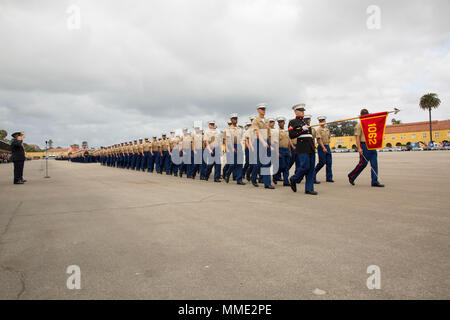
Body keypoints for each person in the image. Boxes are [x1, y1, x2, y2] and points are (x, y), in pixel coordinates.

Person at [348, 109, 384, 187]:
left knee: (374, 164)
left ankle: (374, 181)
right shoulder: (359, 124)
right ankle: (352, 175)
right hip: (364, 145)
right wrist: (359, 148)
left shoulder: (371, 123)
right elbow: (357, 137)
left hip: (372, 144)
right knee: (363, 163)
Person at [288, 104, 318, 195]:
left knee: (311, 169)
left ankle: (309, 188)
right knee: (305, 166)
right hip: (302, 146)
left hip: (310, 145)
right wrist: (301, 129)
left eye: (303, 111)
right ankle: (294, 178)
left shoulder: (305, 122)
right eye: (300, 111)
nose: (303, 112)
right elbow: (291, 135)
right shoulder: (293, 122)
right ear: (295, 112)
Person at [251, 104, 274, 189]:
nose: (263, 110)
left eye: (264, 109)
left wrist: (269, 144)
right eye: (262, 109)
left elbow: (269, 133)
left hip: (266, 141)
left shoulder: (267, 121)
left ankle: (267, 184)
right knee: (258, 163)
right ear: (258, 110)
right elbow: (257, 132)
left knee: (267, 162)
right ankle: (253, 178)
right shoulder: (255, 121)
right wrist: (263, 142)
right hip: (259, 141)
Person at [224, 113, 246, 185]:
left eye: (236, 119)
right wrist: (232, 148)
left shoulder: (240, 129)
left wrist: (242, 146)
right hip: (231, 146)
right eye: (234, 119)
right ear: (231, 120)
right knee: (232, 164)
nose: (235, 120)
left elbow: (243, 138)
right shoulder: (228, 129)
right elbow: (229, 139)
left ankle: (239, 180)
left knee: (240, 164)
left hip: (239, 145)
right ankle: (227, 174)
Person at [314, 116, 334, 183]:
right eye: (321, 121)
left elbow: (329, 137)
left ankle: (329, 178)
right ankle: (313, 175)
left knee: (329, 162)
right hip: (321, 147)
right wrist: (323, 147)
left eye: (323, 121)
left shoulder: (327, 129)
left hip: (327, 146)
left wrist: (327, 145)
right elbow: (319, 140)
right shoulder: (319, 130)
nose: (322, 122)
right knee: (322, 162)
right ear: (319, 122)